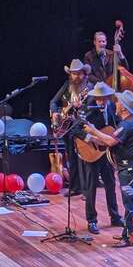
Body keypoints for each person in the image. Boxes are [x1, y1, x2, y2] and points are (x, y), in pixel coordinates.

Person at [83, 89, 133, 246]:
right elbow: (109, 140)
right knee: (129, 202)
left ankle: (129, 237)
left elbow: (110, 141)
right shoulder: (127, 124)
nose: (115, 104)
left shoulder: (128, 125)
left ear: (123, 107)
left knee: (130, 203)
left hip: (129, 170)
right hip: (128, 169)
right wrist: (93, 138)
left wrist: (93, 130)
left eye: (118, 102)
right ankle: (128, 232)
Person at [81, 82, 124, 235]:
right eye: (98, 98)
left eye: (103, 98)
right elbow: (76, 130)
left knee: (111, 184)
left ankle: (115, 216)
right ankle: (92, 220)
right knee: (91, 187)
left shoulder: (112, 108)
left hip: (106, 153)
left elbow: (116, 125)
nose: (100, 101)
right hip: (92, 153)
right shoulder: (88, 111)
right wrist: (91, 139)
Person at [50, 58, 94, 196]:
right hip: (68, 128)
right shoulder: (67, 85)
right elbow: (53, 101)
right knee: (72, 159)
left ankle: (87, 190)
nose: (76, 77)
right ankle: (75, 187)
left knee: (83, 159)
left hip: (83, 127)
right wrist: (56, 113)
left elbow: (91, 109)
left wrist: (81, 108)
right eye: (73, 74)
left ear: (84, 74)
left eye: (78, 73)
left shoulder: (90, 88)